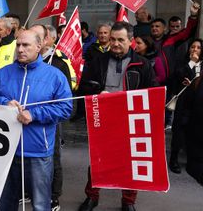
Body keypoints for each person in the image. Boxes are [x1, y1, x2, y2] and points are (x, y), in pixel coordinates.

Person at [0, 29, 72, 211]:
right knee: (4, 204)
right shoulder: (5, 73)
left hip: (38, 152)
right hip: (6, 151)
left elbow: (65, 108)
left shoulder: (55, 76)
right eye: (18, 45)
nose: (20, 49)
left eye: (26, 45)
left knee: (40, 205)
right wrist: (4, 102)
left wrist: (34, 115)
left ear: (39, 46)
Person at [78, 21, 158, 211]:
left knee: (131, 163)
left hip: (131, 121)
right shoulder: (98, 61)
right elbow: (84, 86)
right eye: (112, 39)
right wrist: (99, 91)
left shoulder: (142, 63)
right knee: (97, 160)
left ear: (130, 41)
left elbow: (152, 91)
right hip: (103, 119)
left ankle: (128, 201)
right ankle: (92, 196)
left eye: (120, 40)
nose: (115, 43)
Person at [31, 24, 72, 211]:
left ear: (46, 40)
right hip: (27, 124)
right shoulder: (21, 64)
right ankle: (31, 192)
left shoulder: (59, 64)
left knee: (52, 158)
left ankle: (53, 197)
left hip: (49, 122)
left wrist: (38, 113)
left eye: (36, 37)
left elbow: (66, 104)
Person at [169, 39, 202, 174]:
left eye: (198, 47)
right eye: (192, 47)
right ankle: (173, 159)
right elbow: (179, 76)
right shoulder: (183, 63)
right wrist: (192, 62)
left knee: (193, 132)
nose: (194, 49)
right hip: (183, 104)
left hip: (197, 105)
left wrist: (194, 84)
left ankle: (191, 159)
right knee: (178, 132)